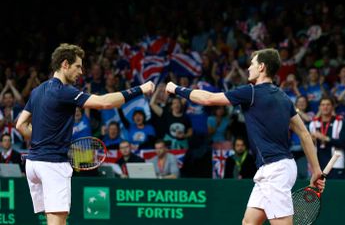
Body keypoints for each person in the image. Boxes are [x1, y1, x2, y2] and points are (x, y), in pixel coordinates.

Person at [166, 48, 325, 225]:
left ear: (262, 67)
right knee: (249, 223)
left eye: (252, 64)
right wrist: (317, 169)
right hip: (270, 169)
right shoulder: (284, 98)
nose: (249, 68)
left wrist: (176, 88)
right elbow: (304, 133)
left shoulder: (251, 92)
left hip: (276, 170)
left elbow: (208, 99)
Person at [15, 43, 155, 225]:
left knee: (56, 217)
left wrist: (41, 140)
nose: (81, 72)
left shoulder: (37, 91)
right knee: (56, 220)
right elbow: (104, 102)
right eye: (78, 66)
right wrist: (140, 89)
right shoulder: (64, 92)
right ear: (65, 64)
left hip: (33, 163)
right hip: (52, 164)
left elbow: (20, 124)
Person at [309, 96, 345, 179]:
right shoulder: (313, 124)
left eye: (328, 104)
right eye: (323, 105)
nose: (325, 107)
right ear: (319, 107)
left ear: (333, 107)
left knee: (335, 190)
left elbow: (343, 143)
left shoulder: (340, 122)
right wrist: (312, 141)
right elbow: (308, 146)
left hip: (336, 164)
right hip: (318, 165)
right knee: (320, 191)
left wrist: (325, 138)